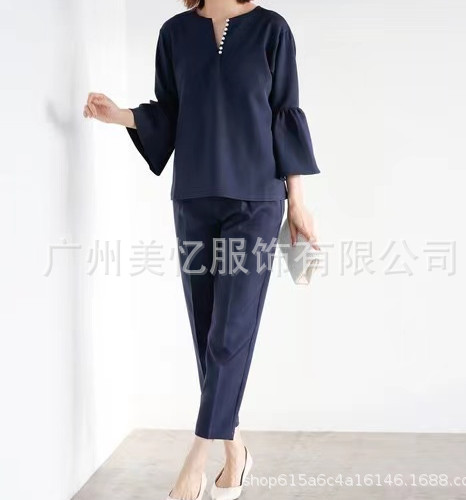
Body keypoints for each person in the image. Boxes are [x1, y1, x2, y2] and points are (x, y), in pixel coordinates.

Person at [83, 1, 321, 499]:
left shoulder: (272, 30)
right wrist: (120, 116)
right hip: (193, 197)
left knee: (230, 333)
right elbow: (169, 112)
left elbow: (285, 114)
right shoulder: (174, 33)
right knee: (207, 331)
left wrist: (297, 202)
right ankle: (236, 453)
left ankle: (195, 460)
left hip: (256, 200)